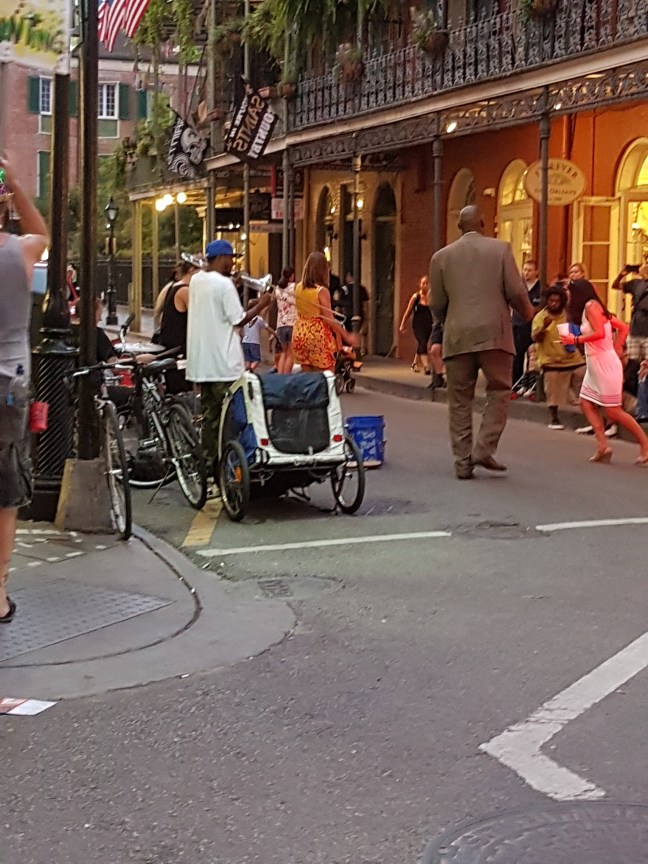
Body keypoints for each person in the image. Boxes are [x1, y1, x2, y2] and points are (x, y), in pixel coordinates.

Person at [429, 205, 534, 479]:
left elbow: (436, 303)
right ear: (484, 223)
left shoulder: (441, 257)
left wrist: (450, 320)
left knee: (459, 401)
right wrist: (528, 313)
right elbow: (516, 291)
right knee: (499, 390)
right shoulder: (501, 250)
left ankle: (462, 462)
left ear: (459, 227)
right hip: (494, 334)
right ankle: (484, 447)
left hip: (457, 335)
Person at [0, 155, 49, 624]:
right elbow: (43, 233)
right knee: (5, 487)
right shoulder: (21, 251)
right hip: (9, 383)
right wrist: (14, 181)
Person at [186, 239, 272, 479]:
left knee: (211, 420)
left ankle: (210, 470)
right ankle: (233, 469)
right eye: (230, 259)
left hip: (203, 365)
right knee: (234, 421)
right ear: (222, 258)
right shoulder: (224, 285)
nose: (233, 263)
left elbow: (216, 308)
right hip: (225, 366)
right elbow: (239, 319)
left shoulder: (196, 281)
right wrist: (262, 304)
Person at [559, 297, 648, 464]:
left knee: (613, 411)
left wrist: (575, 340)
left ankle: (645, 444)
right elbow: (623, 327)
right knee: (586, 403)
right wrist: (616, 346)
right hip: (595, 364)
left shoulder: (590, 306)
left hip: (604, 364)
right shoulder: (596, 308)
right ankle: (602, 445)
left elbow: (599, 333)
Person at [292, 252, 358, 372]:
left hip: (300, 333)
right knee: (327, 377)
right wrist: (347, 336)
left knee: (308, 378)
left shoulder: (298, 287)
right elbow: (329, 319)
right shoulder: (321, 291)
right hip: (317, 335)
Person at [531, 284, 586, 429]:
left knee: (584, 375)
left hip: (571, 356)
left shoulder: (567, 315)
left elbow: (576, 332)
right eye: (551, 301)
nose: (554, 304)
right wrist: (544, 327)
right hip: (550, 359)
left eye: (557, 301)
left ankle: (582, 406)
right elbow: (535, 338)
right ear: (547, 301)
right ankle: (554, 419)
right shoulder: (540, 317)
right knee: (552, 390)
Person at [157, 257, 201, 393]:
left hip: (172, 346)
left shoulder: (174, 287)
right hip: (178, 348)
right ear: (192, 271)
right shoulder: (184, 291)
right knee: (181, 389)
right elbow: (199, 317)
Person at [512, 259, 542, 386]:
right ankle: (516, 383)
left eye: (529, 270)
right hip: (518, 324)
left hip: (534, 325)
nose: (526, 273)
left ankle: (532, 384)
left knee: (534, 356)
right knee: (517, 355)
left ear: (536, 272)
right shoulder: (518, 286)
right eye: (524, 270)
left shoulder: (541, 288)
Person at [400, 275, 432, 374]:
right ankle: (426, 366)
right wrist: (402, 324)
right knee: (422, 342)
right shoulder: (416, 297)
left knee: (422, 344)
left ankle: (414, 364)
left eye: (427, 283)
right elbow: (408, 311)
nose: (425, 285)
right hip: (418, 325)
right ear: (419, 284)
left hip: (428, 324)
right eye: (423, 283)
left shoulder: (431, 298)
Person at [241, 299, 275, 371]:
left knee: (247, 360)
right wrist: (275, 334)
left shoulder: (244, 317)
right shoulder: (259, 319)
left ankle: (247, 372)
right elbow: (267, 328)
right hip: (254, 342)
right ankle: (250, 371)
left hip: (245, 342)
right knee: (256, 360)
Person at [274, 266, 296, 373]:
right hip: (291, 324)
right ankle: (286, 377)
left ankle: (280, 375)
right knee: (291, 355)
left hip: (280, 325)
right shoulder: (294, 287)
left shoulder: (277, 289)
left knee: (284, 352)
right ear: (291, 276)